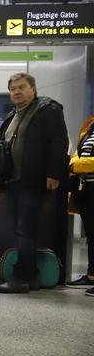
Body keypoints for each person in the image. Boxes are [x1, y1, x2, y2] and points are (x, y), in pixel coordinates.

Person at [0, 73, 68, 293]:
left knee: (24, 229)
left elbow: (59, 142)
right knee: (23, 229)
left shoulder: (47, 110)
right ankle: (28, 277)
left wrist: (54, 173)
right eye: (13, 89)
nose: (17, 92)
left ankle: (22, 277)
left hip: (33, 179)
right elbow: (5, 147)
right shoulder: (15, 114)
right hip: (15, 181)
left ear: (33, 89)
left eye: (22, 87)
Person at [69, 118, 94, 295]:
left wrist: (77, 165)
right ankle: (91, 275)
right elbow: (78, 153)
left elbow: (78, 162)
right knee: (92, 234)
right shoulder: (90, 126)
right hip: (86, 189)